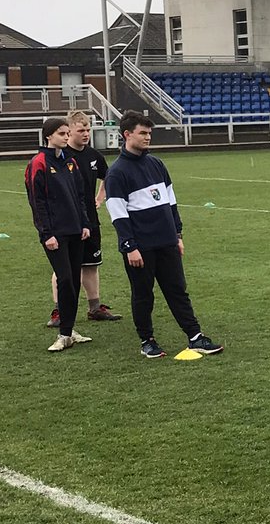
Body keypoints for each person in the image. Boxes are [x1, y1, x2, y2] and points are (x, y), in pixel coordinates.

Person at [104, 111, 223, 359]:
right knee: (143, 294)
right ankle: (147, 340)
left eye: (150, 133)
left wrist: (177, 234)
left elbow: (171, 202)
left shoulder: (157, 164)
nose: (148, 137)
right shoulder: (117, 172)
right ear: (127, 135)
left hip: (166, 241)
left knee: (177, 290)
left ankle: (195, 337)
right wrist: (129, 246)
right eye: (143, 133)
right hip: (141, 247)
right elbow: (117, 213)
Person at [45, 111, 123, 329]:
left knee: (91, 264)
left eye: (88, 130)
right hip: (67, 221)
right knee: (65, 268)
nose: (86, 134)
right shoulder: (62, 156)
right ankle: (60, 310)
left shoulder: (93, 156)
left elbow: (109, 177)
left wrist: (100, 197)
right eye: (81, 130)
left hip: (90, 219)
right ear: (69, 131)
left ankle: (94, 307)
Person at [24, 117, 93, 352]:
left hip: (75, 230)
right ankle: (63, 334)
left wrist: (84, 223)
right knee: (64, 279)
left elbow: (80, 195)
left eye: (66, 133)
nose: (66, 137)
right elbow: (37, 201)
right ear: (49, 136)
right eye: (62, 134)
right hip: (55, 234)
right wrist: (46, 234)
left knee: (74, 281)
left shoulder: (70, 161)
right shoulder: (39, 163)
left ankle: (69, 329)